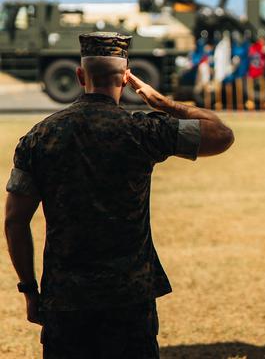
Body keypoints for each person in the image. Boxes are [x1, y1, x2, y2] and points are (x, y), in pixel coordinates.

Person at [4, 32, 234, 359]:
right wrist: (165, 104)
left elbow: (15, 221)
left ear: (80, 76)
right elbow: (221, 135)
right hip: (129, 297)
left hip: (67, 297)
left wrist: (29, 290)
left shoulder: (39, 137)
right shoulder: (142, 130)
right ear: (126, 80)